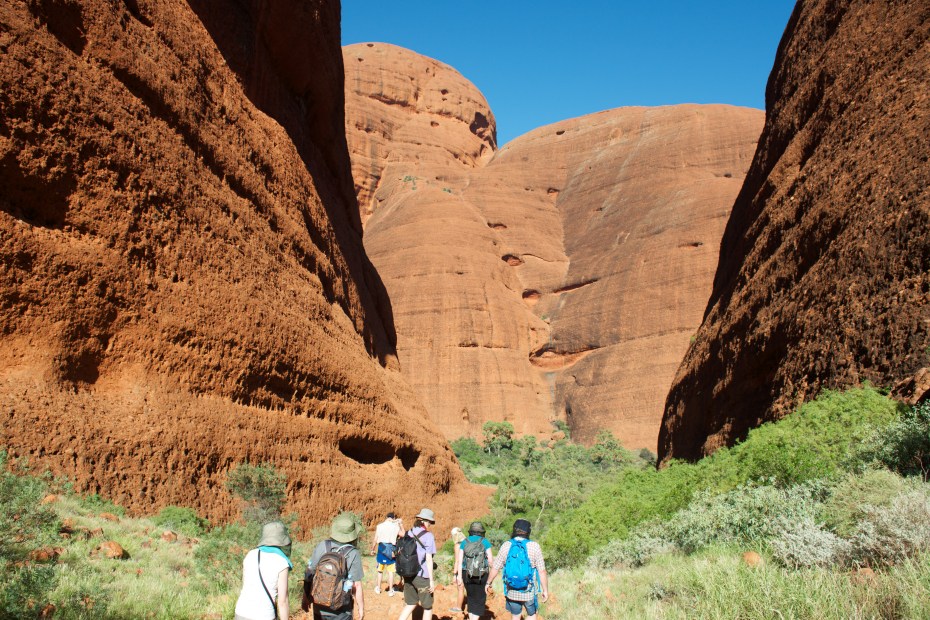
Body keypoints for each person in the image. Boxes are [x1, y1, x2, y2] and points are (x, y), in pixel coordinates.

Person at [485, 519, 549, 620]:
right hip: (529, 591)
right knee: (532, 615)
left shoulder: (506, 545)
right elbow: (542, 571)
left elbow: (495, 567)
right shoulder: (534, 546)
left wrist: (488, 583)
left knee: (515, 616)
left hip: (512, 590)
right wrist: (545, 590)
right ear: (528, 531)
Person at [306, 514, 365, 620]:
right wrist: (361, 608)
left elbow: (309, 573)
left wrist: (305, 598)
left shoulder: (322, 546)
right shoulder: (353, 553)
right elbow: (357, 585)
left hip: (319, 606)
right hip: (342, 609)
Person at [234, 520, 292, 620]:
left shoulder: (250, 555)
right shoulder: (281, 562)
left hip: (241, 612)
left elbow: (246, 584)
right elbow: (283, 602)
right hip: (264, 615)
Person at [396, 508, 437, 620]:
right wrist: (432, 581)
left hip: (408, 574)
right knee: (428, 607)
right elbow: (429, 559)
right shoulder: (429, 536)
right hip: (422, 576)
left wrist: (400, 525)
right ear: (424, 521)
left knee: (410, 604)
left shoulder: (410, 532)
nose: (430, 524)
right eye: (429, 522)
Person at [454, 522, 493, 620]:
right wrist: (491, 576)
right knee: (479, 599)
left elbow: (459, 561)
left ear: (471, 531)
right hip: (482, 574)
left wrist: (459, 577)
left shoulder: (464, 542)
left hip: (466, 574)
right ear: (481, 532)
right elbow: (491, 561)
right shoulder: (485, 541)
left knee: (470, 597)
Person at [370, 511, 403, 596]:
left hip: (381, 549)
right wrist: (400, 524)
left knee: (380, 570)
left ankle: (378, 588)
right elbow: (402, 534)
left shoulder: (379, 526)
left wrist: (372, 549)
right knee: (391, 572)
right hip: (391, 550)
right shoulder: (395, 527)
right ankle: (391, 590)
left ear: (386, 517)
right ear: (393, 518)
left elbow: (375, 539)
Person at [449, 526, 467, 613]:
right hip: (470, 569)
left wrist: (455, 574)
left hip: (461, 570)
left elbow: (457, 561)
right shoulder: (468, 542)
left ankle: (458, 608)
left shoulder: (458, 545)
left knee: (460, 589)